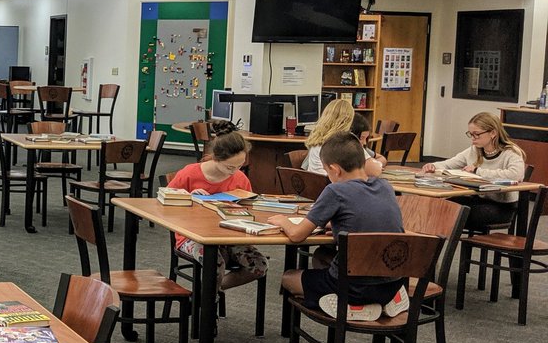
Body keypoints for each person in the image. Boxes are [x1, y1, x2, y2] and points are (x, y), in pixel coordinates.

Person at [269, 131, 406, 319]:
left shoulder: (335, 191)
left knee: (288, 278)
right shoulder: (385, 186)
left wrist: (283, 221)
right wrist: (336, 227)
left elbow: (297, 235)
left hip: (354, 287)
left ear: (335, 169)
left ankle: (353, 305)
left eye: (327, 171)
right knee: (321, 256)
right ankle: (382, 302)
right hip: (392, 284)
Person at [167, 129, 267, 289]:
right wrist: (189, 198)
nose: (234, 171)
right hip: (192, 236)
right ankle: (208, 301)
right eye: (229, 167)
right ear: (216, 158)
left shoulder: (240, 178)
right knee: (214, 263)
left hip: (228, 237)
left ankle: (213, 292)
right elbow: (165, 202)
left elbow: (250, 209)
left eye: (240, 166)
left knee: (259, 265)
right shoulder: (190, 173)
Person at [422, 111, 526, 231]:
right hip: (478, 199)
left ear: (493, 133)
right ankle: (436, 241)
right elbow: (450, 163)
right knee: (440, 207)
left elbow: (515, 175)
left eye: (476, 134)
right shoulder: (474, 150)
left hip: (502, 206)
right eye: (470, 134)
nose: (472, 138)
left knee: (456, 214)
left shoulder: (511, 152)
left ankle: (444, 241)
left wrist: (477, 171)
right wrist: (433, 166)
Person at [303, 99, 384, 177]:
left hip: (316, 184)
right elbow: (375, 170)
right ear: (349, 120)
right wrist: (378, 165)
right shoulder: (344, 141)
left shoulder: (317, 139)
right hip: (337, 185)